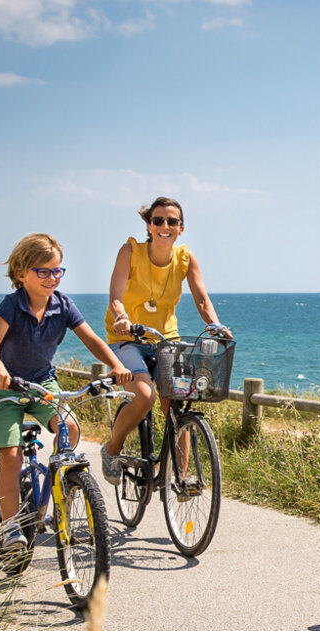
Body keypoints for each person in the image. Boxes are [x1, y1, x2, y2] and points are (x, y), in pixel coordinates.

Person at [0, 233, 132, 555]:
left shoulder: (63, 305)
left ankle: (63, 487)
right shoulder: (12, 305)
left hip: (41, 383)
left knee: (70, 427)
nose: (52, 278)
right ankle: (10, 532)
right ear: (22, 274)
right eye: (43, 271)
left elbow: (92, 340)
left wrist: (117, 365)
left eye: (57, 271)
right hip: (4, 388)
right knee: (11, 454)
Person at [99, 197, 231, 484]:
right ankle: (112, 449)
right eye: (158, 220)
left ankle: (182, 478)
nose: (165, 226)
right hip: (127, 338)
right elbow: (116, 296)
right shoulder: (130, 251)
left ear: (181, 228)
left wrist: (215, 325)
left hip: (164, 339)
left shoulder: (185, 259)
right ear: (149, 225)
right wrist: (121, 316)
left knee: (177, 400)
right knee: (145, 396)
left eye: (172, 221)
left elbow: (201, 299)